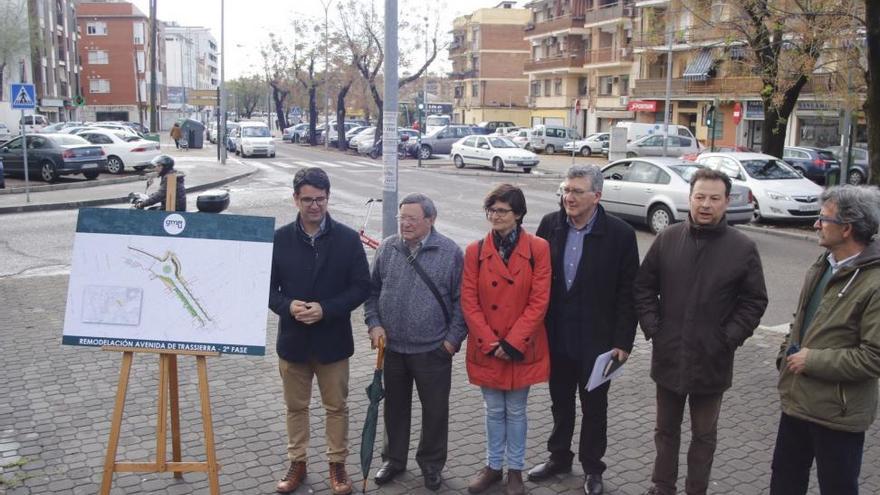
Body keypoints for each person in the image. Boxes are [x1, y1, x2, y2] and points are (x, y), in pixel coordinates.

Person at [634, 168, 768, 495]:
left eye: (714, 198)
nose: (705, 204)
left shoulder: (742, 247)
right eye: (700, 197)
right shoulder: (668, 238)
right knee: (665, 430)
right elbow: (643, 287)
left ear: (726, 202)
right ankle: (662, 485)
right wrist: (654, 328)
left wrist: (729, 337)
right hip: (669, 355)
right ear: (690, 198)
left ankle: (697, 489)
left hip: (712, 358)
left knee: (704, 435)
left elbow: (754, 300)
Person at [528, 165, 639, 495]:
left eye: (577, 191)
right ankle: (559, 457)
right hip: (557, 337)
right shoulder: (550, 224)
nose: (569, 197)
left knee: (595, 409)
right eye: (565, 189)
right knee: (560, 402)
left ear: (597, 196)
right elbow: (536, 279)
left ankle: (593, 468)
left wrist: (623, 342)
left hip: (599, 342)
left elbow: (628, 292)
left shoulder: (619, 234)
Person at [770, 185, 880, 495]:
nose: (816, 224)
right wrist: (784, 354)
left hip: (838, 413)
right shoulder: (822, 265)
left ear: (846, 228)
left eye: (823, 219)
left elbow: (874, 356)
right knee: (785, 481)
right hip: (796, 401)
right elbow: (801, 319)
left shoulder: (874, 282)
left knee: (838, 487)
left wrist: (811, 360)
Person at [269, 167, 371, 495]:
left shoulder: (346, 238)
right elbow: (266, 289)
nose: (315, 206)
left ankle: (337, 465)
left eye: (321, 200)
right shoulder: (280, 239)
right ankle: (297, 462)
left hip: (332, 342)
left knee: (336, 408)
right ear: (295, 199)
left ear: (328, 198)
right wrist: (288, 307)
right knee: (295, 407)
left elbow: (361, 287)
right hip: (293, 341)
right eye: (308, 200)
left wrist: (326, 309)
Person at [364, 193, 467, 491]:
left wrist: (451, 341)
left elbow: (463, 302)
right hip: (392, 349)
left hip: (433, 351)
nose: (405, 224)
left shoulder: (449, 252)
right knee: (394, 409)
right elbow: (371, 293)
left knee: (435, 412)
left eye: (412, 218)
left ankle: (431, 465)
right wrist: (374, 324)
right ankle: (393, 460)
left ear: (430, 220)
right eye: (401, 218)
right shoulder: (387, 248)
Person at [463, 184, 551, 495]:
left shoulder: (538, 248)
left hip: (521, 346)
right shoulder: (475, 251)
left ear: (518, 214)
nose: (496, 216)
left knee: (515, 410)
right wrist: (489, 341)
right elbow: (469, 302)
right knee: (492, 411)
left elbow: (539, 300)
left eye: (502, 210)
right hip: (487, 346)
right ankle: (492, 467)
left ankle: (515, 469)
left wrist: (512, 342)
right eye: (492, 210)